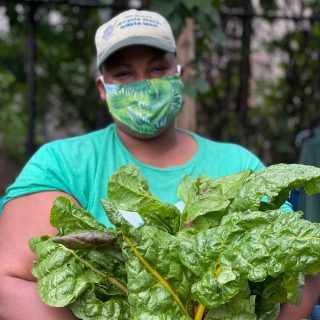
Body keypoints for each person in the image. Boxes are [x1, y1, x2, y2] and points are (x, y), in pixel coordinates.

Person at [0, 9, 319, 320]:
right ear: (102, 87)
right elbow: (9, 283)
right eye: (124, 73)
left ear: (179, 75)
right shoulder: (63, 163)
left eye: (156, 69)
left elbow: (303, 259)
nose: (143, 84)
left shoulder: (239, 164)